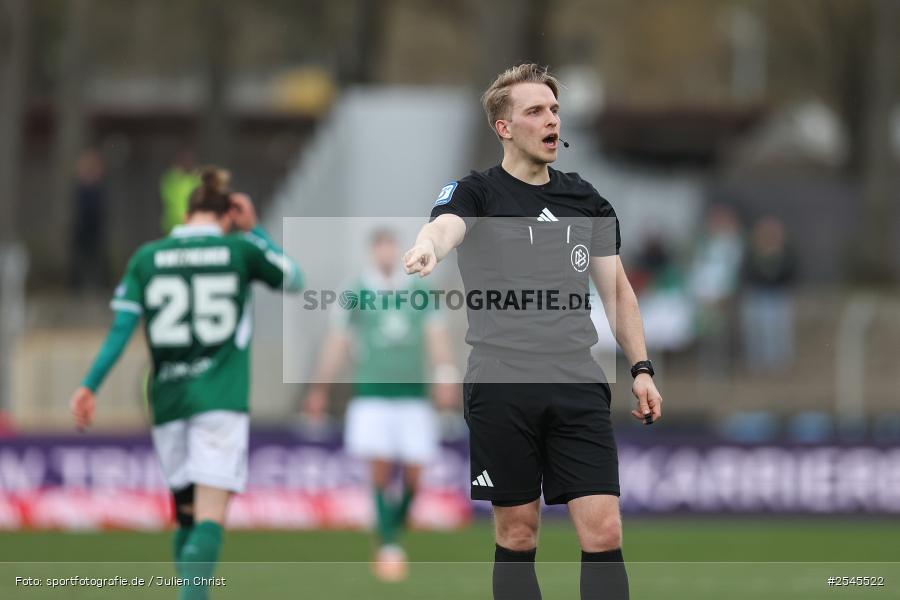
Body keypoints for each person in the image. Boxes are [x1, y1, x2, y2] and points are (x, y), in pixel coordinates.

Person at [403, 64, 663, 600]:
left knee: (604, 530)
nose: (551, 121)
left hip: (575, 382)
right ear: (504, 127)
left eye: (554, 110)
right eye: (535, 111)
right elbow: (446, 224)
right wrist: (430, 245)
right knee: (518, 534)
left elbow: (617, 291)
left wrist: (641, 368)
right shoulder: (476, 191)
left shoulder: (585, 199)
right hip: (502, 385)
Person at [69, 167, 303, 600]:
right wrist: (256, 232)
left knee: (186, 515)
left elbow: (121, 330)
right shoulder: (239, 250)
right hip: (220, 398)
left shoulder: (147, 257)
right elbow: (294, 278)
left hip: (167, 399)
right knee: (210, 518)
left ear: (187, 210)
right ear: (229, 214)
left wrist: (89, 385)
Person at [304, 228, 458, 582]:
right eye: (382, 250)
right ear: (373, 253)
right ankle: (388, 545)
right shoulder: (356, 291)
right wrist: (318, 389)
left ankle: (392, 526)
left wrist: (446, 376)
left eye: (392, 250)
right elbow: (337, 342)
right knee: (379, 468)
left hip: (413, 397)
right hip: (372, 395)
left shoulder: (419, 290)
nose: (387, 256)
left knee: (415, 475)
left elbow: (436, 337)